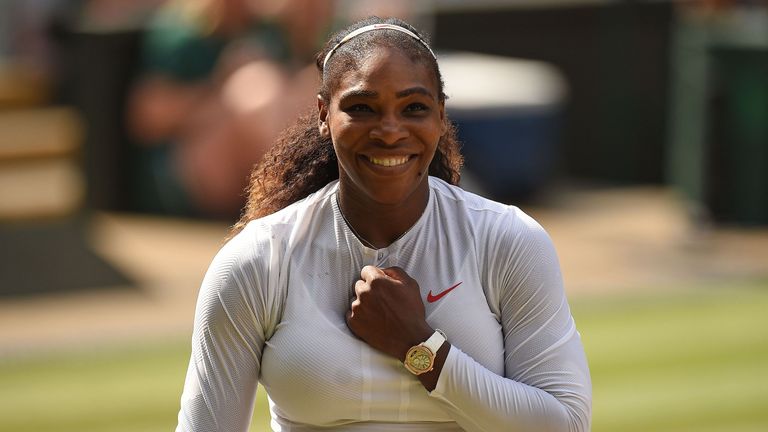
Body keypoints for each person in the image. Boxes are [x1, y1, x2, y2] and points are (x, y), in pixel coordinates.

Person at [176, 16, 592, 432]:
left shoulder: (509, 240)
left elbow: (568, 424)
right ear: (324, 114)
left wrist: (420, 347)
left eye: (414, 108)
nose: (390, 131)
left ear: (441, 115)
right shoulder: (255, 261)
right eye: (362, 108)